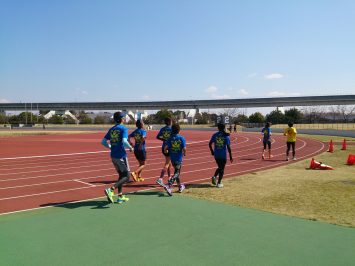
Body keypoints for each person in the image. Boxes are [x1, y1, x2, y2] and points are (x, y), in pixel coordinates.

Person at [101, 111, 134, 204]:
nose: (124, 119)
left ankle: (120, 196)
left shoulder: (111, 129)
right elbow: (124, 141)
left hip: (113, 156)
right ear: (121, 119)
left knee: (121, 175)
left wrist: (110, 147)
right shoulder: (123, 128)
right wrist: (131, 147)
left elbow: (103, 141)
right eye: (123, 117)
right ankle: (111, 189)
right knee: (127, 177)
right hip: (121, 156)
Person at [163, 124, 186, 196]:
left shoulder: (170, 138)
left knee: (177, 172)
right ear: (179, 130)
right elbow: (184, 148)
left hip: (172, 158)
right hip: (179, 158)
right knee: (177, 173)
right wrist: (184, 153)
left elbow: (165, 148)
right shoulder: (182, 138)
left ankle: (180, 187)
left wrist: (166, 151)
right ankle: (169, 185)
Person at [209, 123, 233, 188]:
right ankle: (219, 183)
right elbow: (228, 147)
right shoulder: (226, 136)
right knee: (222, 169)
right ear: (224, 128)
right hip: (223, 155)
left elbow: (210, 144)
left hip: (216, 155)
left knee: (220, 167)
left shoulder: (215, 135)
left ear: (218, 128)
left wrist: (212, 151)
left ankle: (214, 176)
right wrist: (231, 156)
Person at [156, 117, 172, 186]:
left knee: (169, 163)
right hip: (169, 148)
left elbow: (158, 136)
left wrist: (164, 140)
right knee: (167, 163)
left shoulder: (163, 129)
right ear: (170, 122)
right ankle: (160, 178)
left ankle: (169, 178)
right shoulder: (171, 129)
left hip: (163, 147)